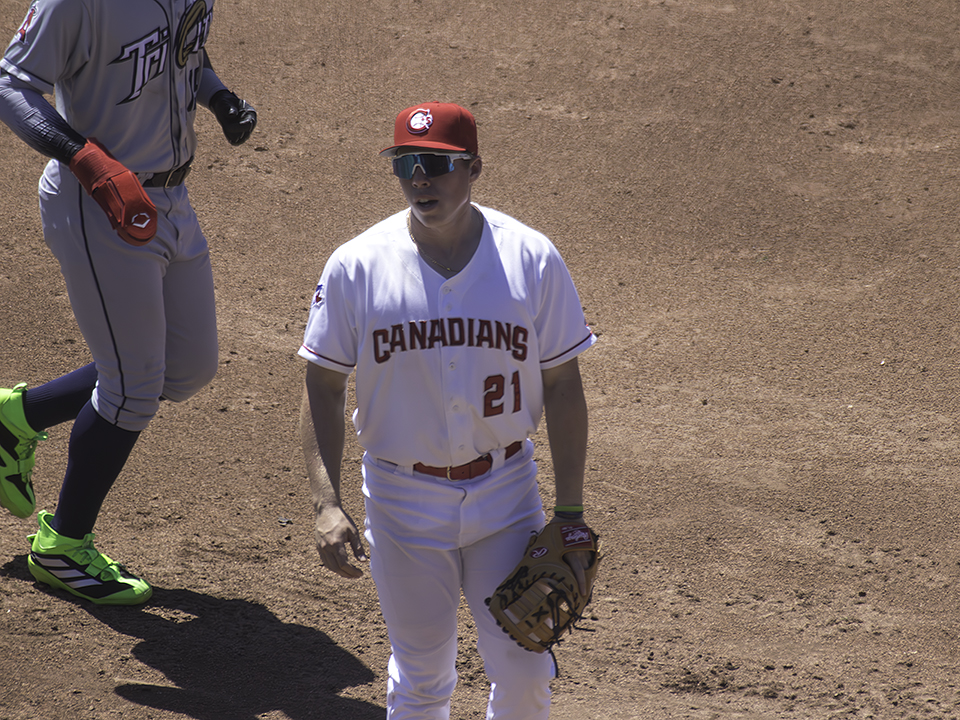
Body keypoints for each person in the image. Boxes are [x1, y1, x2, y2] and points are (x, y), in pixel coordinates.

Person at [299, 101, 596, 719]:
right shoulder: (357, 265)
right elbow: (321, 386)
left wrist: (569, 512)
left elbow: (564, 385)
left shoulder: (531, 258)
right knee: (422, 678)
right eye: (405, 163)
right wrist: (328, 503)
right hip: (402, 500)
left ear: (474, 168)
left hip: (506, 493)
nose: (419, 179)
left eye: (435, 163)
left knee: (524, 672)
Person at [0, 0, 257, 605]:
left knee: (184, 366)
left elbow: (182, 44)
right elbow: (13, 82)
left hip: (170, 197)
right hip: (98, 207)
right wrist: (86, 160)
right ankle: (62, 546)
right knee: (134, 385)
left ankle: (20, 417)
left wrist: (218, 99)